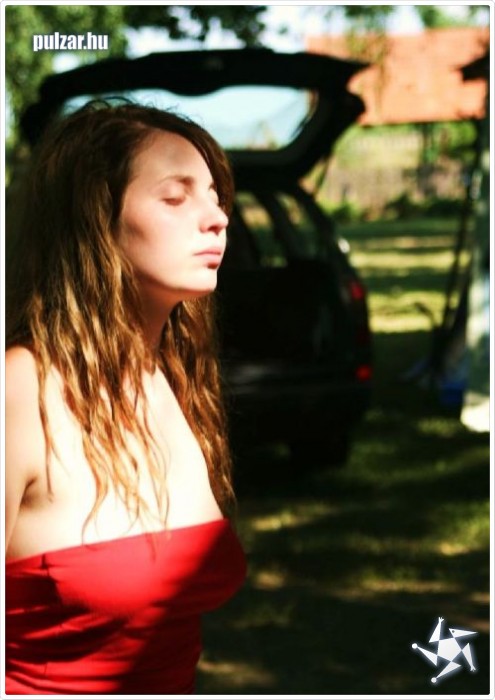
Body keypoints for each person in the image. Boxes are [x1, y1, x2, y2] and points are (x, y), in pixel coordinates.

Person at [5, 102, 247, 695]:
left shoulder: (171, 378)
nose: (217, 218)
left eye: (215, 196)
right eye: (176, 197)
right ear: (95, 221)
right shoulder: (21, 392)